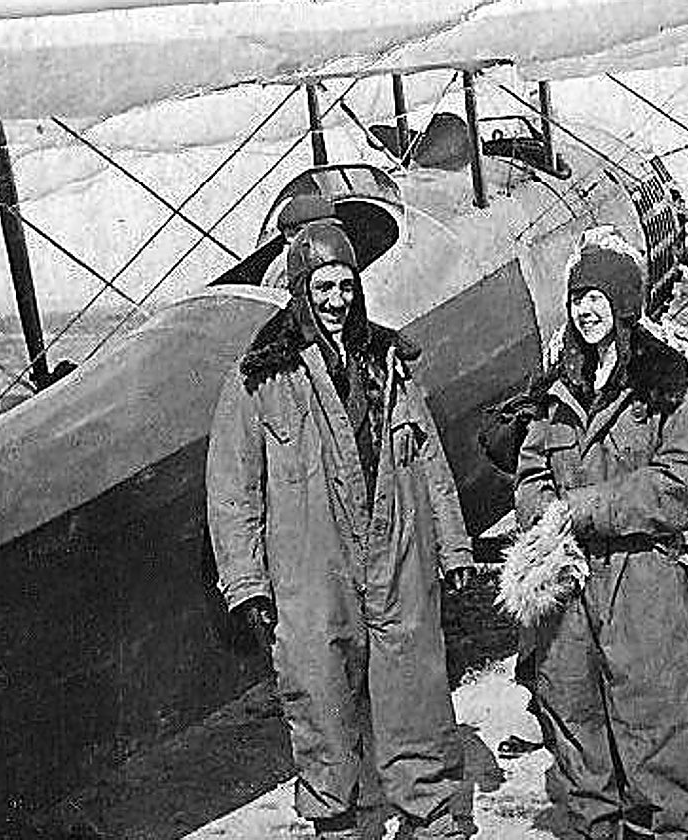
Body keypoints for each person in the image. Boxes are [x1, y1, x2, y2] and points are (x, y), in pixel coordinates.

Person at [207, 219, 476, 839]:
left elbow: (428, 456)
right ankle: (335, 820)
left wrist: (454, 544)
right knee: (319, 693)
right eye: (323, 288)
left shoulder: (386, 363)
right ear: (300, 292)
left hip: (393, 548)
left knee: (414, 687)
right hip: (310, 566)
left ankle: (430, 814)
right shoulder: (259, 377)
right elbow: (230, 489)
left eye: (346, 287)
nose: (336, 301)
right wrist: (246, 583)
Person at [512, 229, 688, 839]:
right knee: (576, 729)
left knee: (659, 727)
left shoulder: (666, 383)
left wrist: (579, 510)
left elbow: (686, 479)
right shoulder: (557, 388)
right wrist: (546, 523)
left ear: (625, 303)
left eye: (599, 297)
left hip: (642, 578)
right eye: (579, 298)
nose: (587, 310)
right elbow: (530, 474)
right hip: (568, 582)